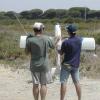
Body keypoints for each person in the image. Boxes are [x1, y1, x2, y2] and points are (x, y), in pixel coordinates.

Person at [25, 22, 56, 100]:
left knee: (35, 85)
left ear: (34, 30)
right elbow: (53, 46)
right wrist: (58, 39)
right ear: (42, 29)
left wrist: (27, 40)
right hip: (44, 66)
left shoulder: (30, 40)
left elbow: (26, 53)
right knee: (43, 84)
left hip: (34, 66)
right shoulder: (46, 38)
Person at [59, 24, 82, 100]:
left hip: (66, 65)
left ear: (68, 32)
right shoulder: (79, 40)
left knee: (63, 82)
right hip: (75, 65)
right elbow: (75, 39)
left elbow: (61, 53)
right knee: (77, 83)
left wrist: (58, 45)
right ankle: (79, 98)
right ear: (75, 32)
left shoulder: (66, 42)